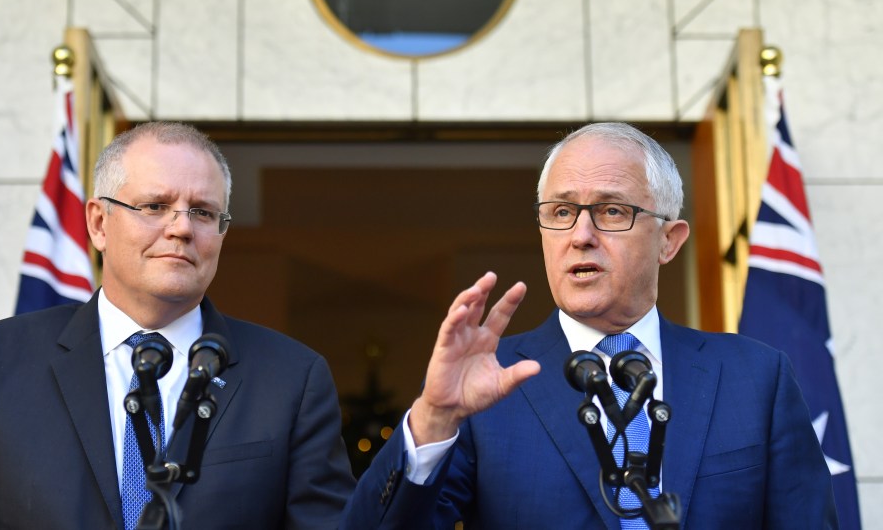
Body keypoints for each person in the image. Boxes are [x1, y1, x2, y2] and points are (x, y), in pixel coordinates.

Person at [344, 122, 837, 528]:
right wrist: (434, 418)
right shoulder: (487, 385)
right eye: (561, 211)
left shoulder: (756, 378)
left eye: (611, 211)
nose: (580, 235)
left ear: (669, 240)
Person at [0, 122, 355, 529]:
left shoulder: (291, 378)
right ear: (98, 223)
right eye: (155, 206)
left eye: (202, 212)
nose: (181, 228)